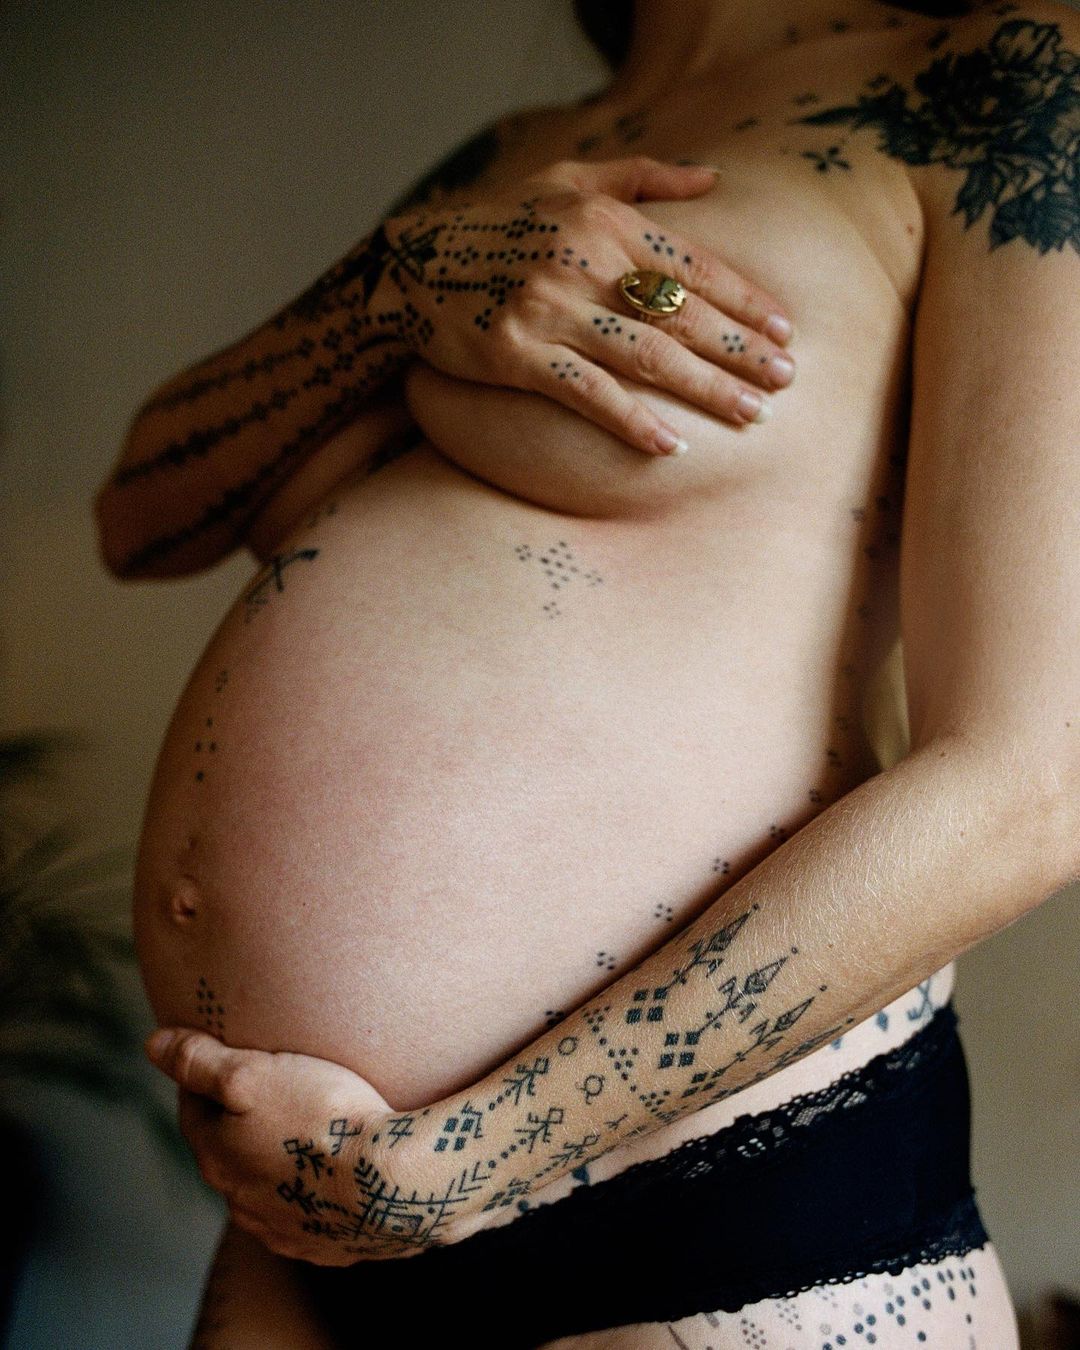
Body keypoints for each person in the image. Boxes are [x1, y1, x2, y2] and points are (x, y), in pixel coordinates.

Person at [96, 0, 1080, 1345]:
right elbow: (142, 516)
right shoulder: (518, 152)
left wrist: (451, 1167)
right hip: (311, 1210)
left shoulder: (1002, 78)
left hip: (701, 1199)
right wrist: (390, 288)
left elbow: (1033, 782)